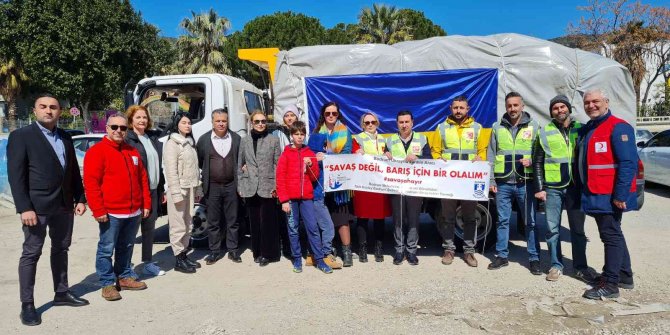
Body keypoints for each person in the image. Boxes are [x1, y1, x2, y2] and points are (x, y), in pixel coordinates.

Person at [8, 93, 89, 326]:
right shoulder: (21, 136)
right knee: (31, 254)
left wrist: (80, 198)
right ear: (35, 110)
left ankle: (61, 292)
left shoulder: (64, 137)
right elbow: (17, 176)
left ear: (59, 112)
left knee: (61, 249)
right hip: (36, 208)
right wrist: (24, 207)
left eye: (53, 107)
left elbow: (72, 171)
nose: (48, 110)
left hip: (63, 206)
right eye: (43, 106)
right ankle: (27, 305)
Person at [576, 89, 637, 299]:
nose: (591, 105)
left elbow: (628, 164)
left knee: (610, 236)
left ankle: (611, 284)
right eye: (587, 102)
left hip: (609, 194)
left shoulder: (618, 127)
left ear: (606, 102)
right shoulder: (591, 128)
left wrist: (620, 195)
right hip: (596, 191)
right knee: (614, 233)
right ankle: (624, 275)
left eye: (596, 101)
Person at [83, 113, 151, 301]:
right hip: (111, 213)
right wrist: (98, 210)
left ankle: (124, 276)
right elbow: (91, 183)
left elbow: (142, 179)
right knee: (106, 248)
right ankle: (107, 283)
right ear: (107, 128)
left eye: (122, 128)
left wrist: (145, 203)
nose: (119, 131)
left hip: (133, 211)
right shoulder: (97, 152)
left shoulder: (132, 151)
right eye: (114, 127)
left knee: (126, 246)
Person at [533, 95, 599, 283]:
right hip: (553, 187)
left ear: (568, 108)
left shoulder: (582, 129)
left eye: (563, 106)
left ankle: (580, 267)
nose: (560, 110)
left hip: (576, 187)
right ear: (551, 112)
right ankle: (556, 265)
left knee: (577, 230)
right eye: (555, 108)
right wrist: (539, 187)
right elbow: (538, 161)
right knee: (552, 229)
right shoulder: (544, 132)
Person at [487, 92, 541, 275]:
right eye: (509, 105)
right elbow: (491, 154)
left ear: (522, 106)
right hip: (503, 183)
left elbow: (540, 152)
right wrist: (491, 180)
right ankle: (502, 256)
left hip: (525, 182)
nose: (512, 109)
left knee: (530, 222)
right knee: (502, 221)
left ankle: (534, 258)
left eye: (515, 105)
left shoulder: (534, 126)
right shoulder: (497, 127)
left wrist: (532, 161)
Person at [432, 95, 489, 268]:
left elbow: (482, 151)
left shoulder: (478, 128)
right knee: (447, 217)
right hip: (448, 181)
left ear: (467, 109)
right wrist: (439, 160)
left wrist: (480, 158)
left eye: (461, 108)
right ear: (451, 108)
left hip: (469, 181)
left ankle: (469, 252)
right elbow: (436, 151)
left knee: (470, 218)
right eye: (455, 108)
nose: (458, 111)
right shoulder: (441, 128)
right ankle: (449, 250)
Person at [276, 121, 333, 274]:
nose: (299, 137)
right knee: (293, 229)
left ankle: (319, 259)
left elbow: (315, 177)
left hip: (306, 198)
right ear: (292, 135)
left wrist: (311, 165)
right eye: (296, 134)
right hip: (291, 199)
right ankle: (296, 258)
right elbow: (280, 178)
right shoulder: (286, 154)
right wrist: (284, 200)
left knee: (313, 228)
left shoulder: (309, 152)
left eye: (302, 134)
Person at [384, 110, 431, 266]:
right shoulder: (390, 141)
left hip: (415, 187)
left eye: (406, 122)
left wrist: (418, 158)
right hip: (396, 187)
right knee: (397, 220)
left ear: (412, 123)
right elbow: (382, 161)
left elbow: (430, 160)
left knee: (413, 219)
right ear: (397, 123)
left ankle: (411, 251)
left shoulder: (422, 139)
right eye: (401, 122)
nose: (404, 125)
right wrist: (385, 156)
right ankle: (399, 250)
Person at [196, 109, 242, 265]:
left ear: (227, 121)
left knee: (233, 220)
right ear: (212, 122)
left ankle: (233, 250)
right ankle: (214, 251)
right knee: (213, 221)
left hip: (231, 185)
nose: (221, 123)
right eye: (218, 121)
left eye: (224, 120)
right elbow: (200, 160)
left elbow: (241, 160)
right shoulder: (203, 140)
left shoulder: (236, 139)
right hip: (213, 186)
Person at [124, 105, 166, 277]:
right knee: (131, 231)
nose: (142, 120)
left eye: (144, 117)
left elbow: (158, 166)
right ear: (131, 120)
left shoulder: (151, 138)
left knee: (149, 229)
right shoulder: (128, 139)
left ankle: (148, 262)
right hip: (138, 192)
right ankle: (126, 267)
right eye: (138, 117)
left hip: (154, 190)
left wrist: (161, 189)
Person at [311, 102, 355, 266]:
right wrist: (318, 156)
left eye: (334, 113)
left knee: (342, 217)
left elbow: (347, 154)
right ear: (323, 114)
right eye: (327, 113)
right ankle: (328, 250)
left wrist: (328, 156)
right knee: (323, 218)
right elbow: (312, 152)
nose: (330, 116)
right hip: (321, 182)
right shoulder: (316, 132)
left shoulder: (345, 132)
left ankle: (347, 251)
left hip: (339, 181)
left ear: (338, 115)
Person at [238, 111, 281, 266]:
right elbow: (240, 164)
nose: (261, 124)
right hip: (250, 186)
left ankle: (268, 253)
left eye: (263, 121)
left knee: (268, 221)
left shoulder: (273, 140)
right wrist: (240, 185)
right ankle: (257, 251)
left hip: (268, 186)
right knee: (254, 221)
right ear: (251, 123)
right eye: (257, 121)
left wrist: (277, 185)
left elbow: (278, 165)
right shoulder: (245, 141)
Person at [163, 112, 203, 273]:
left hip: (190, 188)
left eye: (189, 123)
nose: (187, 125)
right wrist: (176, 193)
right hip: (178, 190)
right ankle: (178, 258)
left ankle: (184, 255)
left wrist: (198, 188)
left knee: (188, 223)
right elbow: (171, 171)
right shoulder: (172, 144)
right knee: (178, 225)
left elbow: (194, 169)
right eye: (184, 122)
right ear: (176, 124)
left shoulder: (189, 144)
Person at [352, 112, 392, 262]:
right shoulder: (357, 138)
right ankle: (362, 248)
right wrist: (355, 152)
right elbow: (350, 155)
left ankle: (378, 248)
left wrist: (389, 153)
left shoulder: (384, 140)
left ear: (377, 123)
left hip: (380, 182)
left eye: (373, 122)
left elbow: (390, 157)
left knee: (379, 217)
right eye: (367, 122)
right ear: (362, 125)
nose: (370, 125)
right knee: (362, 217)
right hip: (363, 182)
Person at [271, 104, 299, 258]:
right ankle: (286, 246)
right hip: (283, 176)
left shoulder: (302, 132)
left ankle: (298, 244)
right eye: (287, 115)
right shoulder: (276, 133)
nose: (289, 118)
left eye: (292, 115)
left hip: (298, 178)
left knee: (298, 213)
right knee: (284, 213)